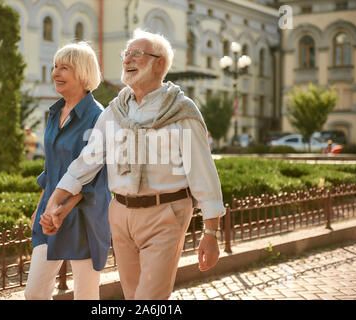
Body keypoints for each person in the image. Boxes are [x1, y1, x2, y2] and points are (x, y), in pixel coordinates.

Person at [41, 29, 225, 300]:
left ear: (159, 63)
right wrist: (56, 199)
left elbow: (203, 173)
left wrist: (210, 232)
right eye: (126, 54)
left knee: (148, 299)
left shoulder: (181, 111)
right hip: (121, 213)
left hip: (167, 213)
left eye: (136, 54)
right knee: (131, 296)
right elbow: (87, 161)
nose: (127, 60)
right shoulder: (115, 111)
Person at [24, 42, 111, 300]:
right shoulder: (54, 113)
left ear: (83, 73)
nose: (55, 73)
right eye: (54, 67)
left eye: (64, 68)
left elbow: (97, 174)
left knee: (85, 295)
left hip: (85, 215)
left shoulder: (99, 117)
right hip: (50, 213)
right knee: (35, 293)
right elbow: (51, 167)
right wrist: (41, 207)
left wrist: (63, 208)